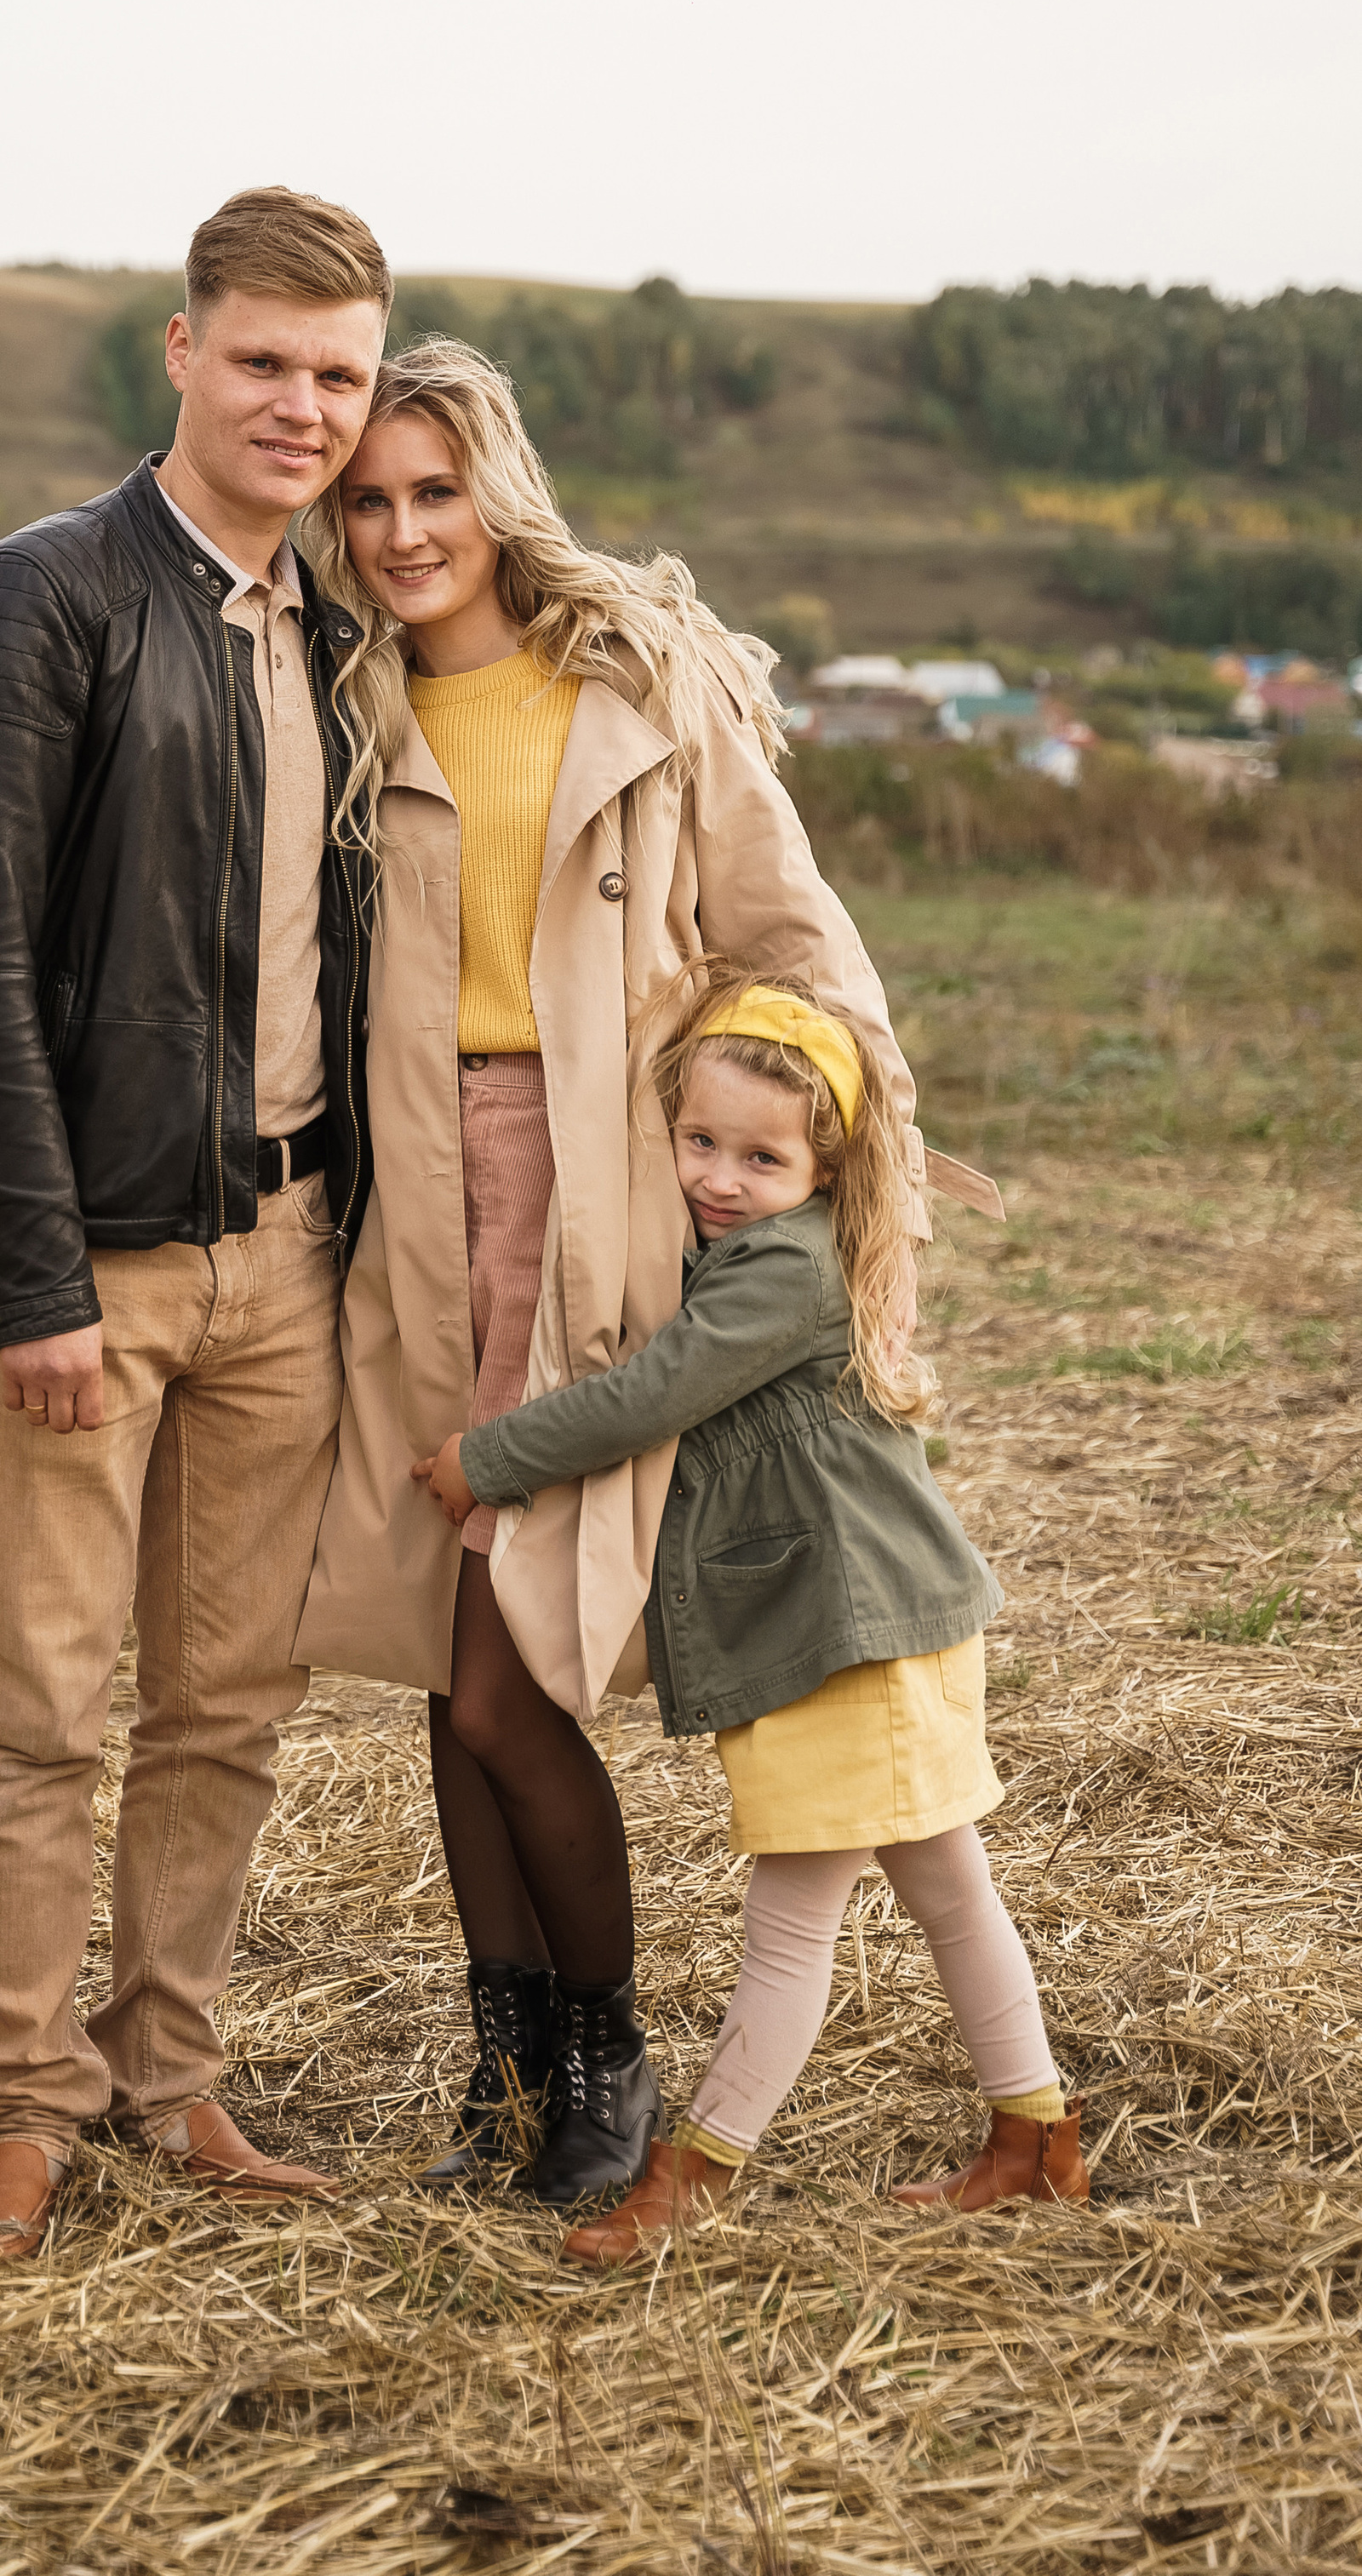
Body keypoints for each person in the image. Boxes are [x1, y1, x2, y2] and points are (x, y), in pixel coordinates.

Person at [294, 337, 998, 2205]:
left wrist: (834, 1186)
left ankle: (597, 2061)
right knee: (447, 1678)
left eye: (430, 490)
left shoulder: (639, 679)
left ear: (496, 489)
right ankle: (508, 2064)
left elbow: (800, 947)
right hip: (417, 1211)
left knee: (513, 1675)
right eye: (363, 500)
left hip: (610, 1200)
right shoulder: (334, 695)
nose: (396, 532)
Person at [0, 186, 386, 2262]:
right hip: (81, 1253)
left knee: (225, 1705)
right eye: (263, 359)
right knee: (39, 1699)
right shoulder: (41, 601)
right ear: (176, 353)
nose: (300, 405)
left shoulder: (345, 630)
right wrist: (27, 1276)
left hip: (284, 1251)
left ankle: (165, 2076)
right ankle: (18, 2107)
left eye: (337, 376)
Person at [421, 965, 1085, 2259]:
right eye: (701, 1143)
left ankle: (692, 2177)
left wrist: (485, 1460)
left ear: (825, 1169)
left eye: (763, 1157)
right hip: (875, 1620)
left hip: (847, 1635)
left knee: (792, 1926)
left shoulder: (779, 1276)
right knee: (953, 1892)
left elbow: (647, 1394)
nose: (722, 1177)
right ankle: (1036, 2140)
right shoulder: (746, 1247)